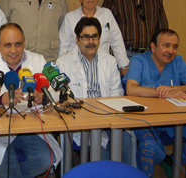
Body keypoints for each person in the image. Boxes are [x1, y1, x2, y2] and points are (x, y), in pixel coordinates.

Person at [0, 23, 61, 178]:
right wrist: (0, 99)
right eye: (7, 45)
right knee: (6, 164)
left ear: (24, 43)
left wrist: (44, 97)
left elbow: (56, 93)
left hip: (32, 128)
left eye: (18, 44)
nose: (14, 50)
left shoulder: (37, 60)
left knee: (45, 160)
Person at [124, 29, 186, 177]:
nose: (171, 51)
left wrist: (174, 89)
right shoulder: (139, 61)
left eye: (175, 46)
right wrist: (159, 91)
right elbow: (131, 89)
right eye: (166, 45)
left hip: (173, 120)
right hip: (144, 121)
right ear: (153, 47)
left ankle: (178, 160)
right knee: (149, 148)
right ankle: (162, 160)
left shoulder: (178, 61)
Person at [56, 17, 132, 164]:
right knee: (103, 157)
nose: (91, 41)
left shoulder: (110, 61)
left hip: (108, 117)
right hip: (82, 123)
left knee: (127, 141)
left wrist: (106, 114)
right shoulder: (63, 62)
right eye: (86, 37)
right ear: (77, 39)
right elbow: (62, 99)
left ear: (99, 39)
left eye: (94, 36)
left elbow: (117, 93)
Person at [59, 0, 129, 76]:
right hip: (76, 68)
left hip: (103, 66)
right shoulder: (70, 18)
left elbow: (117, 42)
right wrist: (62, 67)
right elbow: (63, 47)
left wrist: (124, 66)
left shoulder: (106, 14)